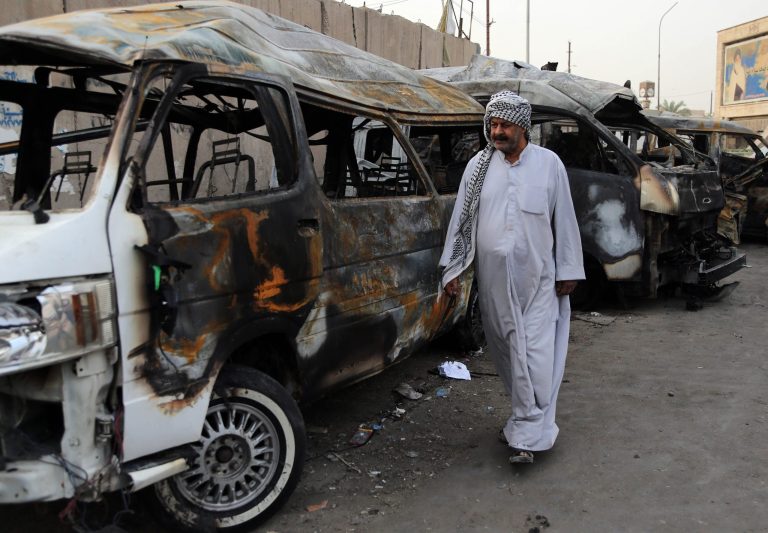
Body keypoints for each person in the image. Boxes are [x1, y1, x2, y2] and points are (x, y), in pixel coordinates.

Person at [439, 90, 584, 464]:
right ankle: (526, 424)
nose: (497, 132)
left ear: (523, 127)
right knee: (507, 353)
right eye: (493, 124)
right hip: (493, 282)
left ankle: (527, 435)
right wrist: (453, 269)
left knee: (537, 357)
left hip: (539, 280)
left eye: (504, 125)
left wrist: (568, 269)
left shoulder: (549, 164)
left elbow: (564, 218)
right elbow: (462, 220)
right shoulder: (478, 168)